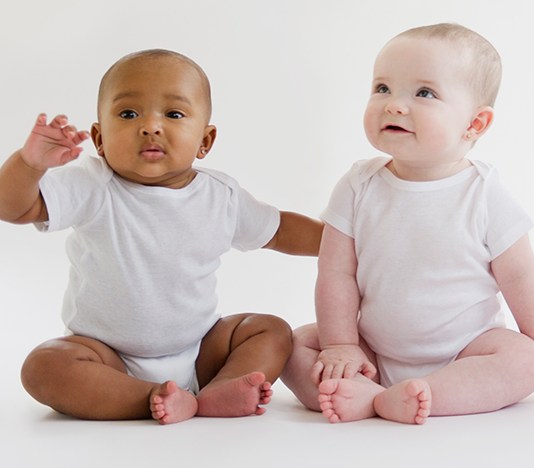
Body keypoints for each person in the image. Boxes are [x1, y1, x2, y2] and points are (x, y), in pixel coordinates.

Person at [280, 23, 534, 425]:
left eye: (424, 93)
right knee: (293, 344)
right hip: (371, 348)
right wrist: (340, 345)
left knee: (522, 359)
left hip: (466, 350)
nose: (394, 105)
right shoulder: (358, 185)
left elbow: (522, 277)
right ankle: (372, 394)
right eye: (382, 88)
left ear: (475, 124)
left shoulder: (484, 193)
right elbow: (335, 273)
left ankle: (428, 394)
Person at [1, 50, 322, 424]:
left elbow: (279, 229)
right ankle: (149, 397)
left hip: (201, 349)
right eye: (128, 114)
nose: (150, 126)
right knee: (45, 366)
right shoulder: (92, 185)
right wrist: (29, 164)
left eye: (173, 114)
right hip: (106, 357)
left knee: (270, 329)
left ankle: (225, 387)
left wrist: (345, 241)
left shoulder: (221, 196)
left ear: (205, 140)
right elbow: (15, 208)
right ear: (99, 139)